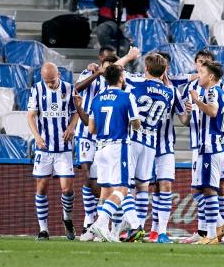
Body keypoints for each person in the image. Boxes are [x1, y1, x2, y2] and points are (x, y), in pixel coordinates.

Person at [112, 49, 177, 242]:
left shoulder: (135, 81)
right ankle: (137, 229)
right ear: (164, 71)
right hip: (151, 142)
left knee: (125, 185)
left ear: (146, 67)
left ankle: (134, 226)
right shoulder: (169, 91)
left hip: (132, 139)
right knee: (143, 187)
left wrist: (129, 57)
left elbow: (115, 70)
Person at [75, 64, 142, 242]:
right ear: (120, 78)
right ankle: (101, 223)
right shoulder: (127, 96)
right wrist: (132, 122)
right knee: (122, 188)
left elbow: (91, 129)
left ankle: (93, 231)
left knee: (105, 190)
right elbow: (136, 124)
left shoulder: (97, 98)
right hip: (118, 146)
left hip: (100, 149)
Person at [179, 50, 224, 245]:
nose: (198, 75)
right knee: (198, 189)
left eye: (201, 73)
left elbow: (213, 110)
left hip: (210, 147)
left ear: (210, 76)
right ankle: (217, 226)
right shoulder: (221, 91)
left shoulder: (212, 91)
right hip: (213, 146)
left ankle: (213, 232)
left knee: (207, 190)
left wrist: (197, 100)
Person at [27, 62, 79, 241]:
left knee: (67, 189)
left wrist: (72, 127)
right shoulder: (37, 89)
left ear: (59, 75)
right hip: (44, 148)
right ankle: (43, 230)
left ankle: (67, 218)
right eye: (46, 81)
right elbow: (31, 116)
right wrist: (37, 137)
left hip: (64, 148)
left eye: (52, 80)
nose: (49, 84)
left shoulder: (69, 88)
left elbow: (76, 112)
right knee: (41, 187)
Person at [73, 46, 119, 240]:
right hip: (85, 133)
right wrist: (96, 74)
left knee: (100, 180)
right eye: (106, 65)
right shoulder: (89, 72)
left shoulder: (117, 80)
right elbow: (77, 88)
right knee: (87, 178)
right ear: (101, 63)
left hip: (104, 135)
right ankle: (89, 220)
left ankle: (101, 221)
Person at [148, 52, 191, 244]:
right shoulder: (142, 84)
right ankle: (141, 229)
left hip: (165, 146)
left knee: (164, 186)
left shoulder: (173, 92)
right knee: (141, 187)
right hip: (144, 145)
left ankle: (160, 231)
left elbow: (183, 119)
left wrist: (189, 112)